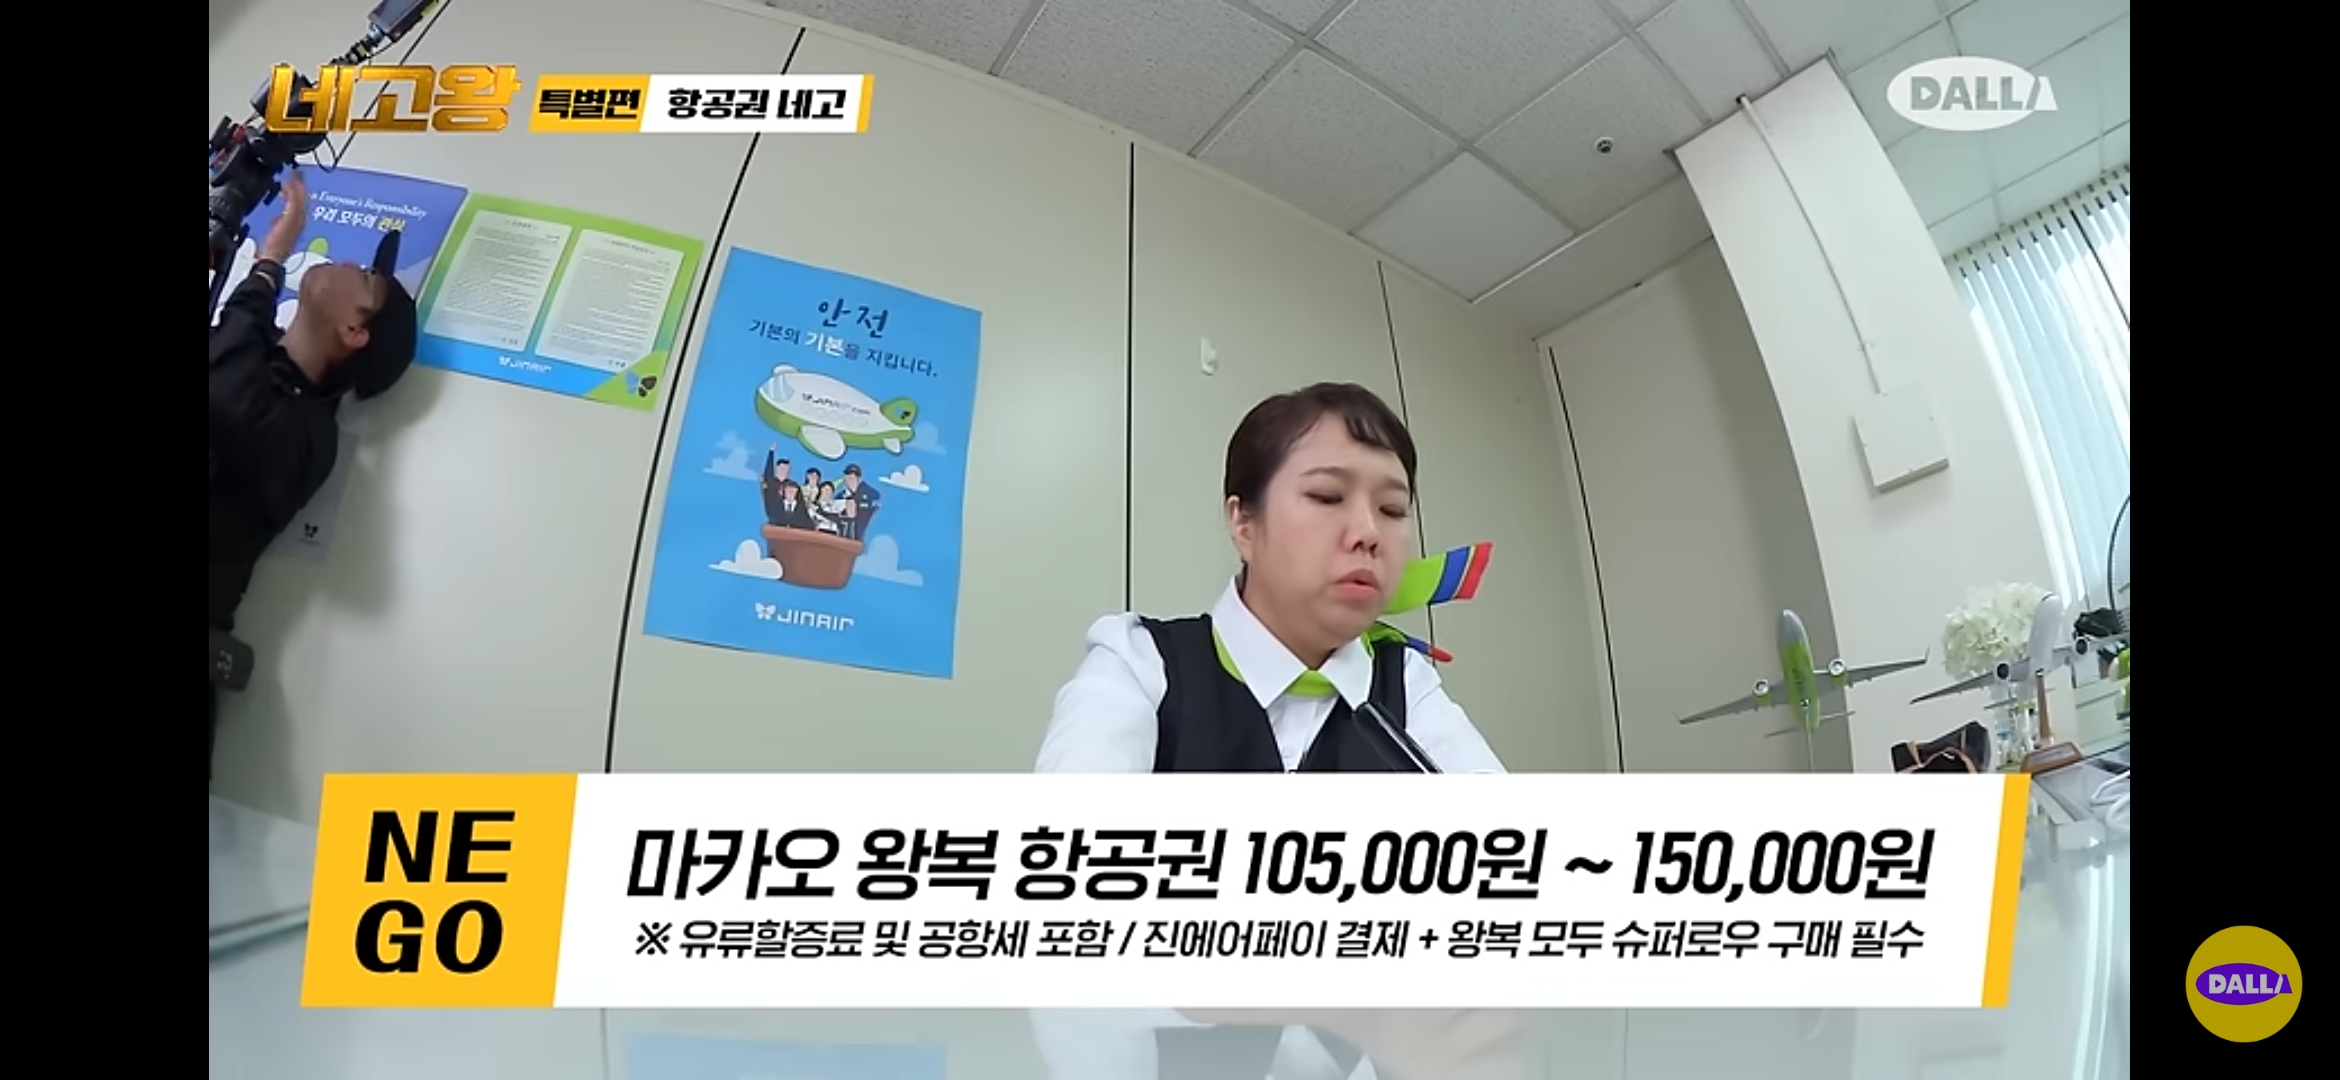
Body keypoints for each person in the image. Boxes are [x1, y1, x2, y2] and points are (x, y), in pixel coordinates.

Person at [1031, 382, 1522, 1079]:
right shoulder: (1139, 663)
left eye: (1392, 509)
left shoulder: (1406, 687)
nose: (1368, 532)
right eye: (1327, 497)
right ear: (1243, 521)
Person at [208, 168, 419, 782]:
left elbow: (224, 394)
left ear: (355, 331)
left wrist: (270, 261)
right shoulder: (243, 347)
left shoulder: (309, 437)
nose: (350, 264)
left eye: (366, 279)